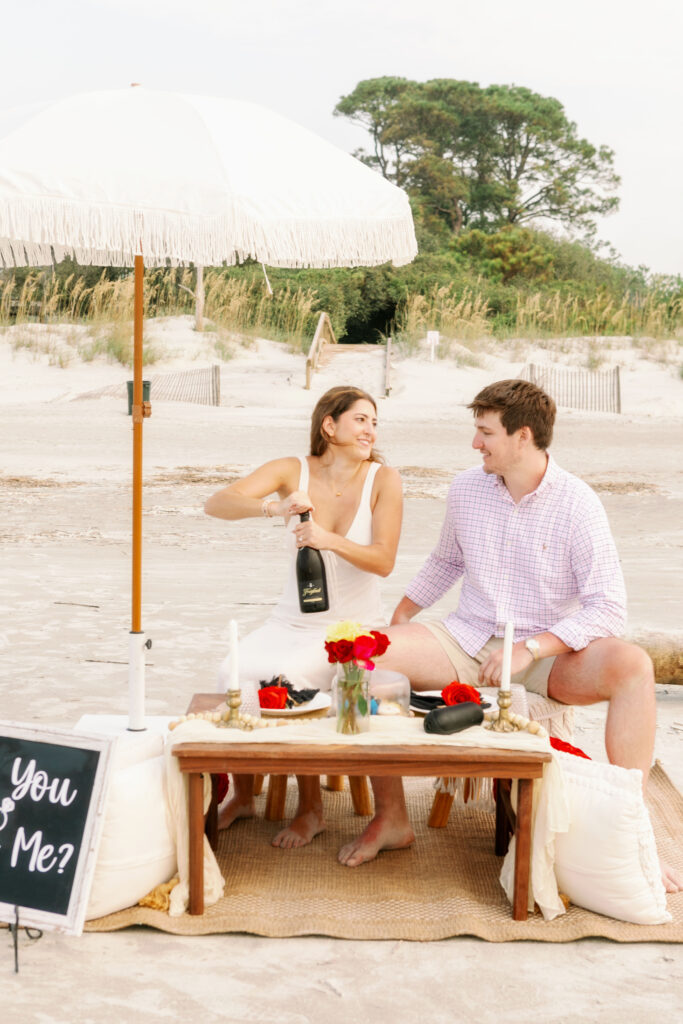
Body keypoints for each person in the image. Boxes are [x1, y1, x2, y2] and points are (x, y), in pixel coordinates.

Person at [337, 378, 682, 895]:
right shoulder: (466, 488)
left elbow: (608, 608)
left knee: (632, 665)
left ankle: (635, 833)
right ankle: (392, 818)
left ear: (523, 437)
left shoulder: (578, 504)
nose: (475, 443)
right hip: (467, 637)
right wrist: (402, 616)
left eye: (485, 432)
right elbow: (447, 560)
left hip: (548, 651)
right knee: (362, 654)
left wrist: (531, 649)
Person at [204, 385, 403, 849]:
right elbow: (217, 503)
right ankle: (244, 793)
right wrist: (274, 507)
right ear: (329, 426)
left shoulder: (384, 479)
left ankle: (310, 808)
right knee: (230, 673)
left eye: (374, 421)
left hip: (349, 629)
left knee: (289, 680)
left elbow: (384, 561)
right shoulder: (291, 469)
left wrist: (329, 539)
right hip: (288, 621)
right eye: (360, 419)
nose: (370, 429)